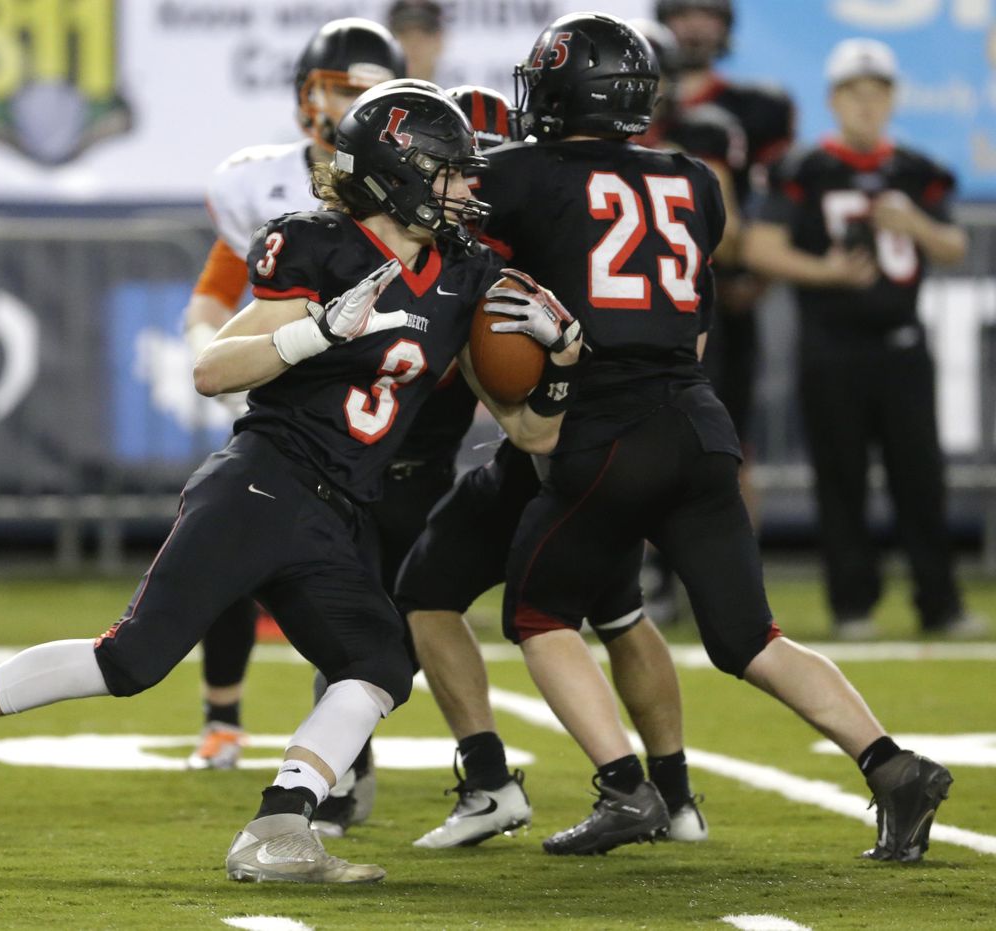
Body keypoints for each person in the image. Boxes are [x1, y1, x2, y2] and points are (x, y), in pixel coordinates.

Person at [0, 83, 584, 885]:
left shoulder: (465, 274)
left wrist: (563, 362)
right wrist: (317, 330)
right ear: (399, 175)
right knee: (131, 662)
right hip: (264, 483)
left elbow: (534, 432)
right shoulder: (314, 246)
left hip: (341, 508)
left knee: (376, 663)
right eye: (451, 174)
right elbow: (211, 367)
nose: (470, 191)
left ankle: (279, 825)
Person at [432, 12, 950, 863]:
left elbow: (473, 272)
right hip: (700, 420)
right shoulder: (694, 177)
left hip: (607, 429)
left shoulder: (518, 175)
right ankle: (893, 766)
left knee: (535, 611)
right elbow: (696, 319)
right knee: (751, 638)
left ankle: (623, 787)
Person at [397, 66, 740, 849]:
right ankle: (671, 795)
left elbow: (475, 328)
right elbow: (692, 333)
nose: (458, 184)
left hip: (576, 443)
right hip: (618, 431)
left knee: (488, 600)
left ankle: (597, 785)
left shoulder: (515, 189)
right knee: (609, 610)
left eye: (461, 168)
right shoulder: (654, 191)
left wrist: (522, 410)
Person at [182, 19, 405, 805]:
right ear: (305, 92)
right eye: (336, 86)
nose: (346, 102)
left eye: (364, 89)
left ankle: (343, 746)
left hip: (364, 409)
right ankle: (223, 714)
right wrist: (231, 358)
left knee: (352, 581)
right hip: (284, 392)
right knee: (229, 554)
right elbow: (213, 298)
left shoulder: (410, 192)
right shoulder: (263, 183)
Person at [741, 39, 983, 641]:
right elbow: (760, 246)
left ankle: (941, 603)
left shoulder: (917, 171)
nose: (866, 105)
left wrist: (915, 224)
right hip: (832, 345)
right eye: (855, 93)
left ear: (893, 99)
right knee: (840, 479)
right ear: (834, 99)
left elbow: (953, 246)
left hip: (902, 344)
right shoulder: (805, 169)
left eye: (877, 93)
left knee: (920, 478)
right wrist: (829, 272)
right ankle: (852, 605)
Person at [646, 0, 795, 622]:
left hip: (709, 303)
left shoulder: (719, 123)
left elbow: (750, 221)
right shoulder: (635, 133)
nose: (698, 24)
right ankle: (646, 582)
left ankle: (731, 587)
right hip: (635, 303)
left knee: (726, 447)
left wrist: (756, 268)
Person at [386, 0, 444, 82]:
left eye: (425, 33)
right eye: (404, 34)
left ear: (439, 41)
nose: (414, 44)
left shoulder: (462, 92)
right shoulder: (371, 92)